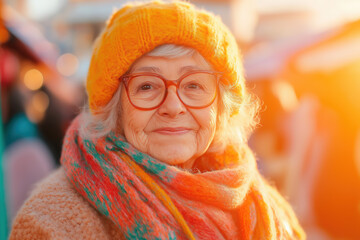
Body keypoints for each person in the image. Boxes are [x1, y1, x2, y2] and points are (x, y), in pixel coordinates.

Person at [10, 1, 305, 239]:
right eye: (147, 86)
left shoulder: (264, 207)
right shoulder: (52, 223)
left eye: (194, 85)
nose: (174, 106)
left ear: (221, 107)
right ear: (115, 109)